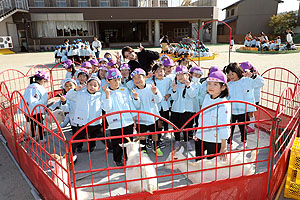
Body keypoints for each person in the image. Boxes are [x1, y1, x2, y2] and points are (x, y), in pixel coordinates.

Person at [224, 63, 264, 149]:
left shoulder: (247, 81)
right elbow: (226, 97)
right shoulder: (229, 85)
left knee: (242, 127)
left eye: (232, 74)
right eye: (228, 74)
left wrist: (253, 76)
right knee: (230, 127)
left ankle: (243, 142)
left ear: (238, 72)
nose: (230, 76)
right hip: (232, 110)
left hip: (243, 110)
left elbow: (261, 83)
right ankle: (229, 142)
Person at [67, 76, 111, 154]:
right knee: (78, 138)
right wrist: (75, 90)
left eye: (95, 85)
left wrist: (107, 95)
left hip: (96, 122)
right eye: (90, 84)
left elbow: (106, 107)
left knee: (101, 136)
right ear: (86, 85)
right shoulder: (80, 94)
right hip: (83, 122)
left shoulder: (100, 95)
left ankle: (107, 147)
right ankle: (71, 152)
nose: (92, 87)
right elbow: (69, 96)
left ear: (98, 88)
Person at [102, 68, 137, 166]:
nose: (116, 82)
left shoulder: (124, 90)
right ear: (108, 81)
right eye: (114, 80)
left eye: (118, 79)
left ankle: (128, 158)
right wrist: (107, 96)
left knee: (128, 141)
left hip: (127, 121)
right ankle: (117, 159)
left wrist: (133, 117)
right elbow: (106, 107)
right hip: (115, 122)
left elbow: (130, 104)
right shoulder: (104, 93)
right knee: (117, 142)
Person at [194, 70, 230, 161]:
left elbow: (224, 125)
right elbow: (202, 116)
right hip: (201, 136)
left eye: (215, 84)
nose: (211, 86)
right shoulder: (207, 97)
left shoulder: (224, 104)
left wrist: (224, 145)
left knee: (212, 164)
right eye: (209, 83)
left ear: (223, 87)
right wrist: (197, 132)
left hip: (214, 139)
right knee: (199, 161)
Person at [130, 68, 164, 156]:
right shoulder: (134, 91)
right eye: (134, 78)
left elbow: (158, 100)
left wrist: (155, 92)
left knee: (155, 133)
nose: (137, 80)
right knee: (142, 134)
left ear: (145, 77)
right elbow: (136, 106)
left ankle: (156, 147)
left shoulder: (151, 87)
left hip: (153, 116)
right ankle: (143, 148)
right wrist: (136, 98)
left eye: (139, 77)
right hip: (140, 117)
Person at [170, 65, 196, 151]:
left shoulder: (192, 84)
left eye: (182, 74)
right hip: (176, 109)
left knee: (187, 126)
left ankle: (187, 140)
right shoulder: (175, 85)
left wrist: (188, 86)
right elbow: (174, 98)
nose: (180, 77)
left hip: (187, 110)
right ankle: (177, 140)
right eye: (178, 75)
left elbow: (192, 95)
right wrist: (174, 90)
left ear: (187, 75)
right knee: (176, 126)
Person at [147, 64, 172, 149]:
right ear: (153, 73)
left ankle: (158, 138)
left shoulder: (168, 80)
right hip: (156, 105)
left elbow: (171, 88)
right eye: (157, 72)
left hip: (165, 104)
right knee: (156, 123)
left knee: (162, 122)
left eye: (161, 71)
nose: (159, 73)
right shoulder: (151, 81)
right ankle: (151, 139)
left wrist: (168, 94)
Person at [22, 71, 49, 143]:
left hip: (28, 109)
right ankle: (41, 139)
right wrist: (45, 106)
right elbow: (44, 98)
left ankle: (33, 138)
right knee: (40, 124)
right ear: (43, 80)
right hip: (37, 108)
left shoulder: (29, 86)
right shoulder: (40, 88)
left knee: (32, 123)